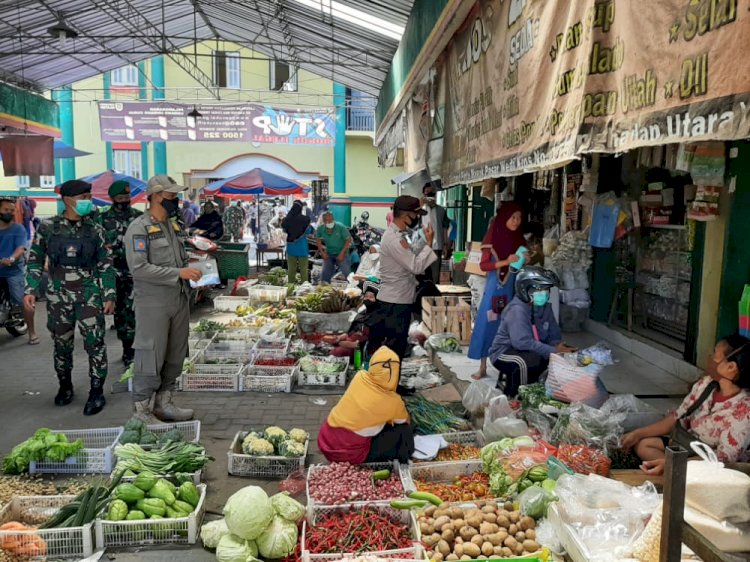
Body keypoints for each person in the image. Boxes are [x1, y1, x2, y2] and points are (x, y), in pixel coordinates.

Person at [24, 180, 114, 416]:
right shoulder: (48, 227)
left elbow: (105, 265)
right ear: (67, 200)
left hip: (89, 296)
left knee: (95, 344)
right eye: (84, 196)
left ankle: (97, 391)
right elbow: (34, 260)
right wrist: (30, 289)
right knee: (61, 344)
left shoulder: (95, 230)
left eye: (89, 196)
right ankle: (65, 386)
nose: (88, 201)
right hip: (58, 298)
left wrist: (109, 295)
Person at [124, 175, 202, 424]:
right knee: (151, 354)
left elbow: (180, 260)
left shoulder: (174, 225)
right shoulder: (139, 228)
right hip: (153, 303)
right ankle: (142, 411)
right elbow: (138, 268)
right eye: (171, 196)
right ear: (156, 196)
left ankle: (164, 402)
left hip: (178, 299)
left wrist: (197, 269)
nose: (175, 200)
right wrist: (178, 273)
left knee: (176, 352)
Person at [622, 335, 750, 473]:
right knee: (643, 444)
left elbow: (723, 458)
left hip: (713, 463)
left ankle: (675, 473)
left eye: (715, 354)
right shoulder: (706, 385)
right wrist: (638, 433)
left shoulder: (744, 411)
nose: (710, 358)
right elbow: (676, 417)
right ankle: (674, 472)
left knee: (685, 470)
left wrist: (675, 463)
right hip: (688, 445)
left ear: (731, 367)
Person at [317, 346, 415, 463]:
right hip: (348, 455)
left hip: (326, 442)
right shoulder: (393, 402)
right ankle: (402, 462)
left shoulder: (360, 377)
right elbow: (406, 421)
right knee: (404, 431)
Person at [488, 266, 575, 397]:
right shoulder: (517, 310)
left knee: (560, 357)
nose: (546, 293)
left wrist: (559, 347)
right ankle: (515, 398)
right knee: (525, 363)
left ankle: (541, 393)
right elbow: (522, 343)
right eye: (541, 290)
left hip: (530, 349)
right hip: (504, 352)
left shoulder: (545, 307)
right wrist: (553, 350)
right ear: (526, 290)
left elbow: (554, 333)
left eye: (547, 290)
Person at [368, 196, 436, 359]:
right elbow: (415, 266)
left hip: (399, 298)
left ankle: (393, 383)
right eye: (416, 215)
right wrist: (430, 243)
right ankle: (390, 383)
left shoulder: (399, 234)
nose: (417, 219)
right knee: (394, 350)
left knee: (396, 348)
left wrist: (424, 243)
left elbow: (411, 252)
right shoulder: (394, 239)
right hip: (395, 301)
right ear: (406, 215)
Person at [468, 203, 526, 380]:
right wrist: (505, 261)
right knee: (487, 327)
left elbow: (518, 267)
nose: (516, 221)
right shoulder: (491, 238)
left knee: (510, 329)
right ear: (504, 218)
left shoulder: (519, 240)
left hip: (511, 293)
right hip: (493, 293)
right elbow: (483, 265)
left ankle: (507, 367)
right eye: (513, 217)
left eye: (519, 218)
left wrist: (525, 259)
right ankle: (483, 366)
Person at [97, 181, 142, 365]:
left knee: (137, 312)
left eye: (127, 198)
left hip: (136, 273)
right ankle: (127, 349)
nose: (124, 201)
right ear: (112, 199)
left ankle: (137, 348)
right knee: (122, 314)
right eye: (120, 198)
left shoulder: (140, 218)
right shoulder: (102, 219)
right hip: (113, 274)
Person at [0, 198, 37, 344]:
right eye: (6, 210)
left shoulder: (18, 229)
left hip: (13, 270)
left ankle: (32, 332)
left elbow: (20, 248)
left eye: (11, 210)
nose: (9, 213)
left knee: (23, 301)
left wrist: (11, 259)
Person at [324, 291, 377, 358]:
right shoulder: (363, 313)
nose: (367, 299)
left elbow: (365, 342)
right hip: (350, 339)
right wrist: (339, 338)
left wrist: (344, 343)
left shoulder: (378, 318)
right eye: (366, 296)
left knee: (335, 352)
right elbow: (354, 329)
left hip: (360, 349)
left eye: (371, 297)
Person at [421, 183, 451, 285]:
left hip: (437, 247)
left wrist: (446, 245)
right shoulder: (420, 210)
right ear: (424, 195)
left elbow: (445, 228)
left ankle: (433, 294)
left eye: (431, 194)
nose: (429, 196)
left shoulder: (441, 210)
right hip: (422, 246)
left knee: (435, 275)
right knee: (422, 273)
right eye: (427, 194)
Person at [316, 211, 352, 283]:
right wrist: (322, 253)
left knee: (347, 273)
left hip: (342, 252)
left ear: (333, 219)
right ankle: (324, 287)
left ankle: (353, 287)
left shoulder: (340, 227)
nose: (329, 222)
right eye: (327, 220)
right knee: (325, 274)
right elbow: (318, 240)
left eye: (330, 220)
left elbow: (348, 240)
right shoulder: (321, 228)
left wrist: (342, 253)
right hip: (329, 252)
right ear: (324, 221)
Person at [282, 200, 312, 283]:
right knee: (303, 269)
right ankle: (304, 287)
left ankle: (290, 286)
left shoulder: (286, 219)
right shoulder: (305, 219)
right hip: (302, 247)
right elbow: (308, 231)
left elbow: (285, 231)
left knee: (291, 269)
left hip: (291, 247)